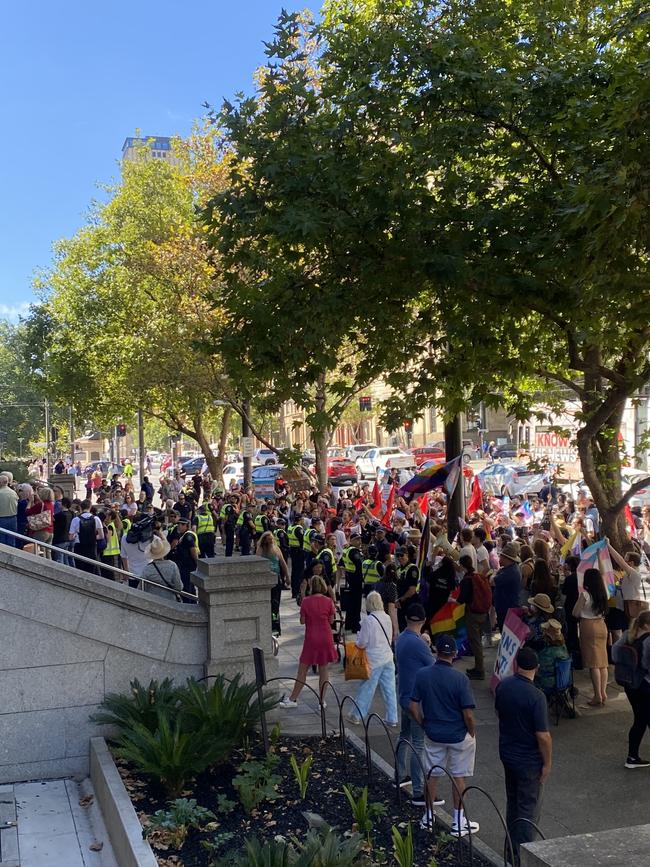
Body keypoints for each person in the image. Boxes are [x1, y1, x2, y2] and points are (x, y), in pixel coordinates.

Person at [410, 634, 479, 838]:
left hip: (433, 733)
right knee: (459, 777)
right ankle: (458, 821)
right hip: (458, 735)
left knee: (432, 775)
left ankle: (429, 816)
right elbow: (468, 714)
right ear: (455, 654)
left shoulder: (423, 675)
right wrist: (472, 731)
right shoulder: (460, 679)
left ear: (436, 652)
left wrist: (424, 723)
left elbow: (413, 706)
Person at [494, 647, 552, 864]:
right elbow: (543, 736)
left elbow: (499, 712)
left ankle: (510, 849)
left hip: (508, 754)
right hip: (529, 761)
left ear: (516, 664)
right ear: (536, 668)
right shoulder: (536, 697)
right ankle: (522, 857)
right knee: (529, 809)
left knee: (513, 803)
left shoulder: (504, 686)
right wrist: (547, 764)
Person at [395, 603, 434, 808]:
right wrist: (427, 644)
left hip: (403, 696)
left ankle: (400, 775)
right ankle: (418, 791)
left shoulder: (401, 638)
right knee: (419, 743)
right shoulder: (418, 644)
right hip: (415, 701)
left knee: (404, 736)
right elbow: (434, 667)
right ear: (424, 621)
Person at [279, 575, 337, 708]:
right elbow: (331, 621)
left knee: (302, 670)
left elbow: (302, 621)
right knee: (324, 670)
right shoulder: (328, 601)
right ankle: (321, 701)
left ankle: (293, 698)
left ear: (311, 586)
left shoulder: (306, 601)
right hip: (326, 638)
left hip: (311, 638)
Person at [345, 591, 398, 727]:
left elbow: (362, 643)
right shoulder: (387, 617)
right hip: (388, 657)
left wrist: (357, 639)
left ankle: (357, 715)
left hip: (373, 660)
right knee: (389, 690)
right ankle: (392, 718)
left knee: (367, 689)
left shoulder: (368, 621)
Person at [612, 610, 650, 768]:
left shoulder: (628, 634)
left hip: (630, 684)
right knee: (644, 719)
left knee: (640, 720)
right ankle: (632, 758)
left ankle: (632, 757)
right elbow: (647, 665)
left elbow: (614, 653)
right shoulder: (648, 640)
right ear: (647, 625)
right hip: (645, 684)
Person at [572, 567, 609, 706]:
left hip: (588, 626)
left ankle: (597, 695)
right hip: (602, 625)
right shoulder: (603, 592)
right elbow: (604, 574)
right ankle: (603, 692)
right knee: (602, 661)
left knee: (593, 662)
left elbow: (575, 612)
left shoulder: (585, 595)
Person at [457, 554, 491, 680]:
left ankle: (479, 669)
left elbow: (462, 599)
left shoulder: (467, 580)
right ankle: (478, 666)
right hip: (482, 612)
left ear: (462, 565)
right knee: (478, 641)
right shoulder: (478, 576)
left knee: (475, 641)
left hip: (473, 614)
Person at [257, 531, 289, 635]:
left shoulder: (276, 549)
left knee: (276, 604)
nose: (270, 541)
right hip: (266, 580)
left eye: (271, 539)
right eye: (268, 539)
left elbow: (283, 563)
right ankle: (267, 625)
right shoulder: (261, 550)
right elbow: (257, 562)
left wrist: (287, 577)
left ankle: (275, 626)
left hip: (277, 579)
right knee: (268, 604)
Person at [608, 544, 650, 622]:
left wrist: (608, 546)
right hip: (626, 609)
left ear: (631, 563)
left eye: (625, 560)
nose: (624, 561)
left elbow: (619, 561)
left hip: (633, 610)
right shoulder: (630, 575)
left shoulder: (635, 574)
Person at [141, 536, 183, 600]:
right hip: (170, 600)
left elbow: (141, 588)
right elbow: (179, 587)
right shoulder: (172, 565)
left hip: (152, 600)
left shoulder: (147, 569)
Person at [69, 500, 104, 574]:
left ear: (80, 507)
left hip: (79, 546)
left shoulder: (75, 520)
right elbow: (101, 536)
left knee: (80, 570)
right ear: (90, 507)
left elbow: (70, 537)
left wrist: (76, 535)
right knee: (91, 571)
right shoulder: (96, 519)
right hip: (91, 547)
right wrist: (92, 537)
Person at [493, 543, 522, 632]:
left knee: (506, 631)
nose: (499, 559)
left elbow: (492, 581)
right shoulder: (509, 569)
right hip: (505, 608)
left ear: (506, 558)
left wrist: (494, 573)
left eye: (500, 557)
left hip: (506, 610)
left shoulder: (510, 572)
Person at [168, 516, 198, 601]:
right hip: (183, 565)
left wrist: (197, 563)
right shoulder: (182, 535)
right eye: (178, 524)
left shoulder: (188, 536)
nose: (179, 526)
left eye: (182, 524)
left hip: (188, 566)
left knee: (187, 588)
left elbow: (193, 551)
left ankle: (188, 604)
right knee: (189, 587)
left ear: (186, 526)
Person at [341, 531, 364, 633]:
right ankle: (355, 625)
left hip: (350, 577)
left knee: (351, 603)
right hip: (356, 579)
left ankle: (349, 624)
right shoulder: (354, 552)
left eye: (360, 539)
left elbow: (341, 563)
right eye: (357, 539)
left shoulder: (346, 550)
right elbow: (360, 564)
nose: (359, 541)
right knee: (356, 604)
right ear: (352, 540)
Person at [26, 487, 55, 556]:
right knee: (48, 551)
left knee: (40, 551)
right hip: (50, 530)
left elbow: (28, 512)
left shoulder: (41, 504)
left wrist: (30, 502)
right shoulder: (51, 504)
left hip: (41, 530)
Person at [0, 474, 19, 546]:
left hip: (2, 518)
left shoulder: (0, 493)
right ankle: (11, 557)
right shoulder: (13, 492)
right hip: (13, 519)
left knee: (2, 542)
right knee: (11, 540)